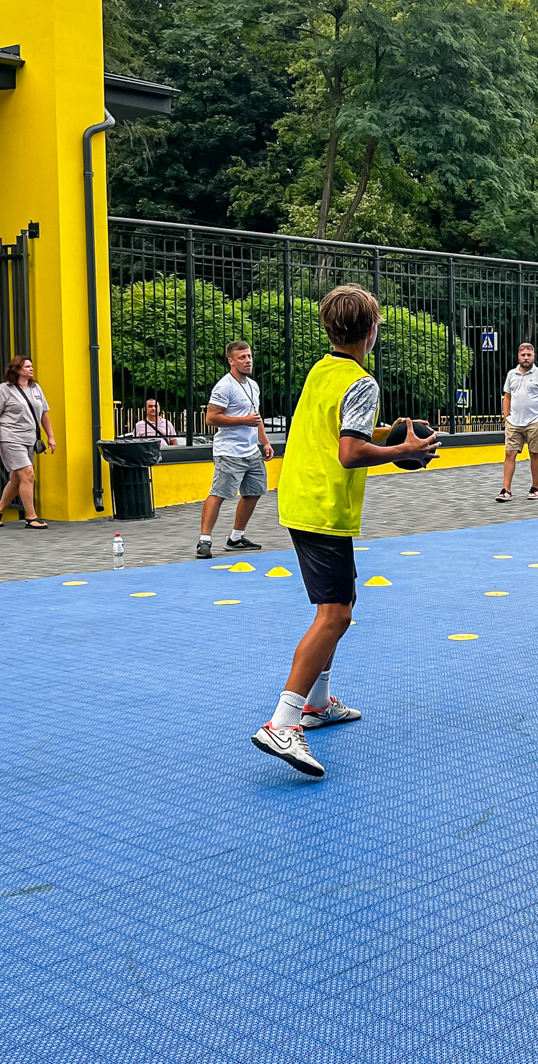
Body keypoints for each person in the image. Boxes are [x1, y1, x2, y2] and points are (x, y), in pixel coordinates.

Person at [252, 285, 439, 777]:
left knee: (343, 602)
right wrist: (404, 451)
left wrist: (388, 434)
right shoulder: (362, 383)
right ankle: (282, 722)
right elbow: (349, 452)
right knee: (334, 615)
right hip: (322, 505)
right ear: (372, 330)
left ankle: (317, 705)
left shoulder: (323, 370)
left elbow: (338, 432)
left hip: (302, 497)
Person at [196, 340, 273, 558]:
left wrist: (265, 442)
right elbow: (211, 418)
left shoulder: (253, 385)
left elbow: (256, 417)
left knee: (254, 492)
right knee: (219, 494)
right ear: (231, 361)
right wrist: (243, 420)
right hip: (229, 452)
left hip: (251, 451)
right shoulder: (224, 387)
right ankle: (204, 541)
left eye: (249, 356)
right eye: (242, 357)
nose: (248, 361)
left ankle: (236, 538)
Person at [0, 355, 54, 529]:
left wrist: (50, 436)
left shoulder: (35, 388)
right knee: (28, 473)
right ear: (17, 369)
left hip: (29, 438)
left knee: (17, 479)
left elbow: (44, 413)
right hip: (10, 437)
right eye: (27, 367)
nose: (31, 369)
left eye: (31, 366)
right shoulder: (4, 389)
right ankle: (31, 517)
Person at [497, 342, 538, 502]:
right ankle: (506, 490)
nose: (526, 358)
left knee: (534, 453)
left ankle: (534, 488)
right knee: (509, 453)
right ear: (518, 356)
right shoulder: (511, 375)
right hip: (514, 422)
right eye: (523, 355)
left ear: (534, 356)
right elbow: (507, 396)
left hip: (534, 421)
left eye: (529, 355)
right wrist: (506, 417)